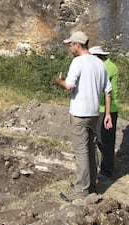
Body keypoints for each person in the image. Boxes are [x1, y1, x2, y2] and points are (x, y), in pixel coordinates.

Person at [55, 31, 113, 200]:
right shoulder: (99, 63)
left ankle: (81, 190)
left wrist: (59, 81)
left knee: (81, 151)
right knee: (91, 148)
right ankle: (92, 185)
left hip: (80, 113)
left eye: (70, 44)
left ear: (77, 45)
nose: (69, 48)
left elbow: (69, 86)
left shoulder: (78, 62)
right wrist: (107, 114)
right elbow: (108, 90)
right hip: (94, 113)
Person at [89, 46, 120, 179]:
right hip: (104, 107)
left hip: (106, 109)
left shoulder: (106, 68)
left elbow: (102, 90)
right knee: (103, 139)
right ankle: (107, 166)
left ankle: (106, 170)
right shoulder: (108, 66)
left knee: (104, 140)